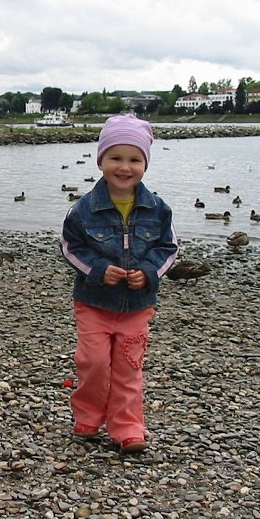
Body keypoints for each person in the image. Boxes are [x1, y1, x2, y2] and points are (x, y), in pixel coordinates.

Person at [59, 113, 177, 452]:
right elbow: (70, 247)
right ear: (101, 161)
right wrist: (98, 269)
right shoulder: (83, 209)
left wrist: (149, 272)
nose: (124, 167)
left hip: (137, 306)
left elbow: (169, 248)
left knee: (128, 367)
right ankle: (88, 415)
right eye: (115, 158)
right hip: (94, 303)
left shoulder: (158, 209)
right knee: (93, 363)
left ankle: (127, 427)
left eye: (134, 160)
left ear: (145, 164)